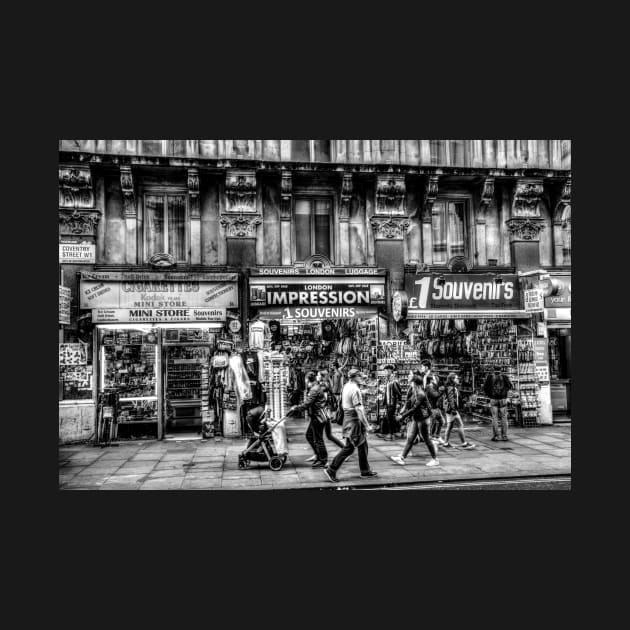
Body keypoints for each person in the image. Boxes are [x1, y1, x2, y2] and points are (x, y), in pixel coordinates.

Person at [324, 369, 378, 483]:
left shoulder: (346, 386)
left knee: (363, 445)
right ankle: (331, 469)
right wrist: (367, 425)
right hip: (354, 420)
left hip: (347, 419)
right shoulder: (355, 389)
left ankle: (365, 470)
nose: (361, 378)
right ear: (354, 377)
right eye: (359, 376)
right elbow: (359, 409)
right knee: (349, 448)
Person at [390, 375, 440, 467]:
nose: (410, 383)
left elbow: (414, 408)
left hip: (423, 420)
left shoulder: (420, 393)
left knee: (427, 439)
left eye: (412, 382)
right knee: (410, 438)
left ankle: (435, 459)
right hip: (417, 419)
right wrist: (402, 410)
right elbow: (409, 402)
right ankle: (401, 458)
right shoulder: (415, 391)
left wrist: (402, 416)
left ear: (415, 383)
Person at [288, 372, 329, 468]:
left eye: (306, 380)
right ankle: (319, 456)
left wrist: (296, 408)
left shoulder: (314, 389)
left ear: (308, 380)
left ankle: (323, 460)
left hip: (318, 417)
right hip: (317, 416)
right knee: (309, 436)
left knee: (318, 439)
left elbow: (307, 403)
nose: (305, 381)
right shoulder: (315, 387)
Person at [442, 373, 475, 450]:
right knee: (460, 425)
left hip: (449, 410)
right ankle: (464, 443)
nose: (458, 379)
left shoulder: (452, 387)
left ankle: (446, 443)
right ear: (452, 379)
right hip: (452, 410)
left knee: (449, 426)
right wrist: (454, 409)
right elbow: (450, 399)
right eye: (456, 378)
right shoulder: (451, 388)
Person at [484, 367, 514, 441]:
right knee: (504, 417)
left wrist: (489, 395)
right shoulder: (504, 377)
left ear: (493, 369)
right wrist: (505, 393)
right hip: (503, 399)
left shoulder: (490, 377)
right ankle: (504, 436)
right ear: (501, 369)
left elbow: (485, 387)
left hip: (493, 399)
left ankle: (496, 436)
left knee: (494, 418)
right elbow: (510, 386)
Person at [377, 364, 402, 441]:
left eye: (386, 370)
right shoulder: (389, 380)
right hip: (388, 403)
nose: (385, 372)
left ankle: (391, 435)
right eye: (385, 371)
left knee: (390, 419)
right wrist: (384, 402)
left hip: (392, 403)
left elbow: (398, 393)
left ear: (390, 370)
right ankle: (391, 433)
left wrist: (398, 403)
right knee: (389, 418)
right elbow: (386, 392)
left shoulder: (394, 380)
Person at [425, 375, 446, 445]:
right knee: (432, 424)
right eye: (434, 379)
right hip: (432, 409)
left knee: (442, 422)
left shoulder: (434, 387)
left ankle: (437, 435)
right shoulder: (429, 387)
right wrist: (441, 392)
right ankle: (430, 438)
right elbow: (435, 395)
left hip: (436, 408)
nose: (435, 380)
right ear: (431, 380)